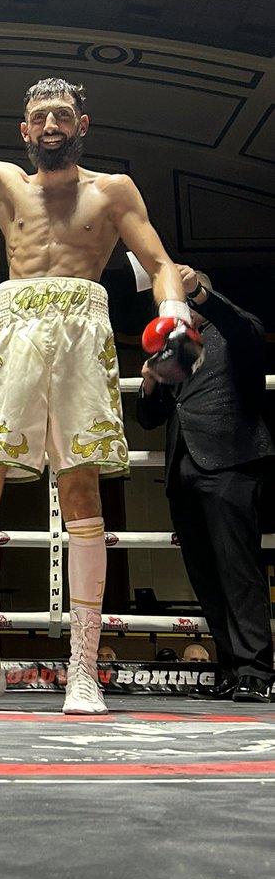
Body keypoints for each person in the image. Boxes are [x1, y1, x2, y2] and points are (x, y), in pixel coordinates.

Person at [0, 0, 195, 715]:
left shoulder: (113, 190)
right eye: (42, 117)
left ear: (81, 126)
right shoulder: (5, 183)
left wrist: (174, 319)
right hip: (15, 328)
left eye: (64, 115)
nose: (53, 125)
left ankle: (83, 670)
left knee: (82, 490)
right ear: (25, 129)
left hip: (83, 327)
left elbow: (158, 263)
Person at [136, 266, 275, 703]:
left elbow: (250, 328)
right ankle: (233, 668)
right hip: (183, 469)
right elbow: (149, 418)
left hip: (230, 460)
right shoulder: (169, 348)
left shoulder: (230, 332)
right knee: (205, 576)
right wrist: (150, 382)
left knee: (239, 570)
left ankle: (259, 670)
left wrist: (195, 290)